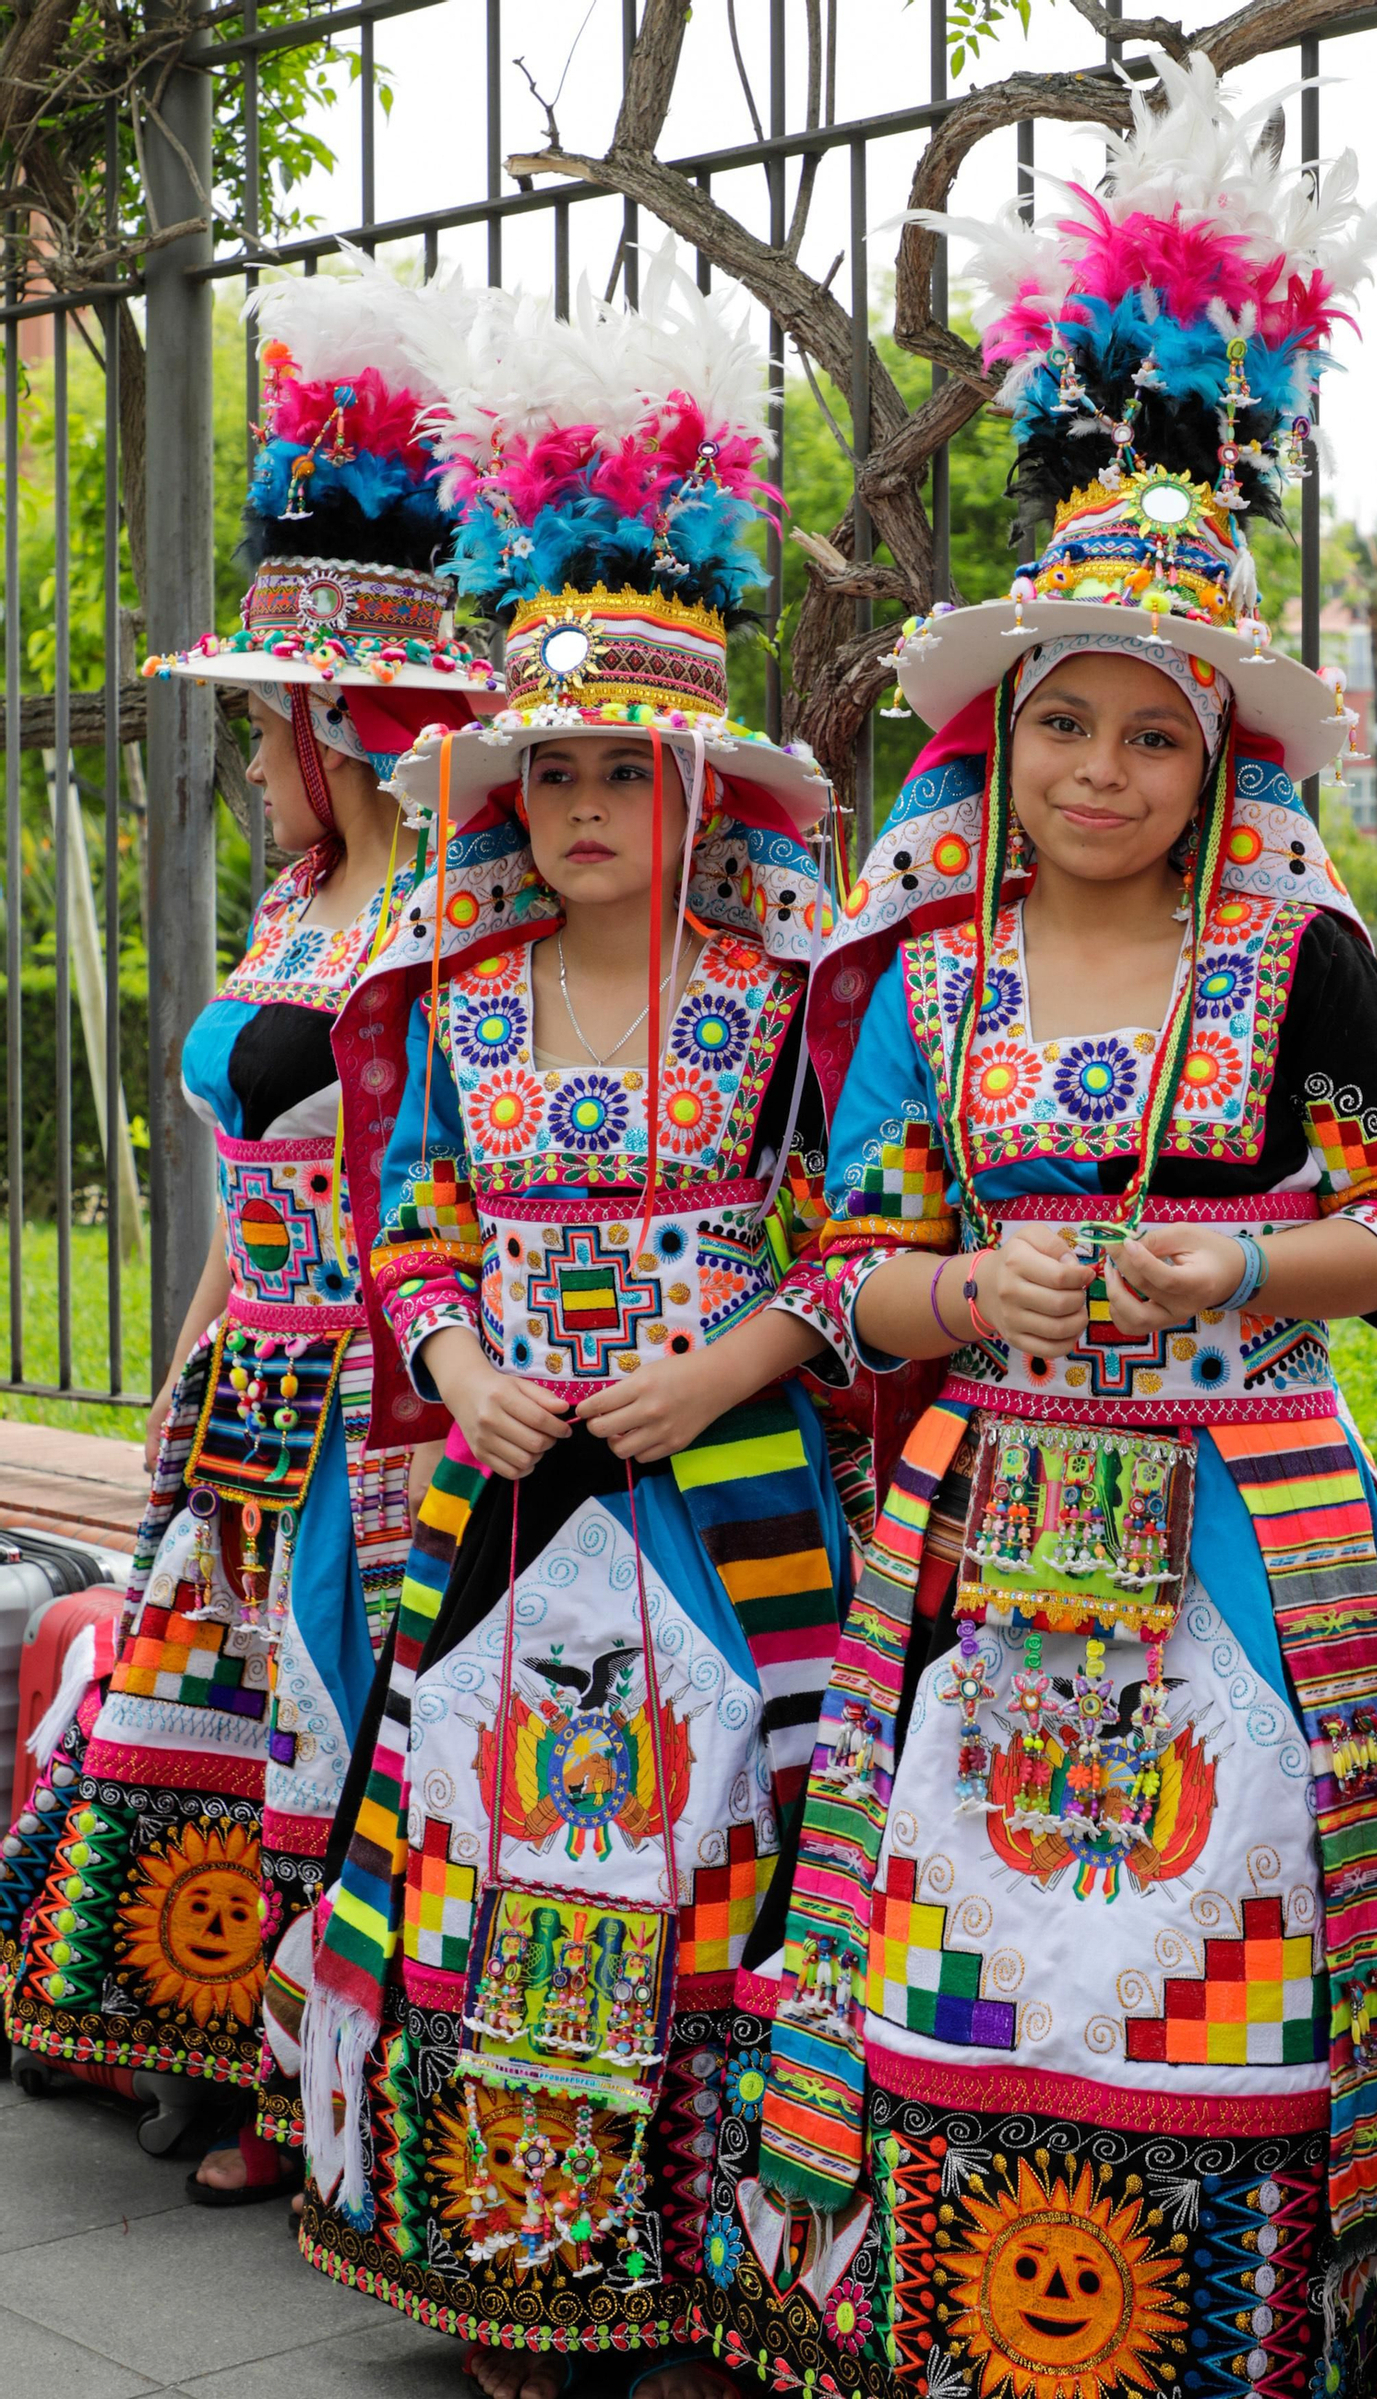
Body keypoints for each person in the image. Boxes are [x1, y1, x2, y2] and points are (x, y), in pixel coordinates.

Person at [707, 60, 1377, 2399]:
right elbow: (836, 1259)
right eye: (1066, 730)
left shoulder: (1301, 959)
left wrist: (1237, 1267)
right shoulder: (927, 976)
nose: (1102, 777)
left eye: (1153, 739)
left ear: (1220, 762)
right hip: (977, 1518)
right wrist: (964, 1291)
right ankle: (958, 2349)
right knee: (965, 1941)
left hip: (1247, 1526)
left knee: (1231, 1938)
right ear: (1004, 737)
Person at [295, 253, 858, 2399]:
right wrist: (452, 1367)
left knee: (727, 1837)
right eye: (552, 779)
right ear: (507, 801)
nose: (588, 809)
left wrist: (728, 1361)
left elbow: (856, 1234)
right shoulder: (450, 1008)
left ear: (704, 795)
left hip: (732, 1490)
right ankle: (499, 2264)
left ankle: (714, 2263)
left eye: (628, 772)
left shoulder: (782, 1003)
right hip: (516, 1480)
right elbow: (412, 1225)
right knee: (500, 1820)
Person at [0, 257, 499, 2205]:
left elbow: (424, 1176)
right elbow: (241, 1164)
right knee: (198, 1692)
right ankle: (178, 2020)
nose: (282, 741)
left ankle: (299, 2080)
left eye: (299, 708)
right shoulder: (299, 908)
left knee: (325, 1712)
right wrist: (194, 1336)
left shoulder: (442, 925)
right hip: (244, 1383)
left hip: (370, 1406)